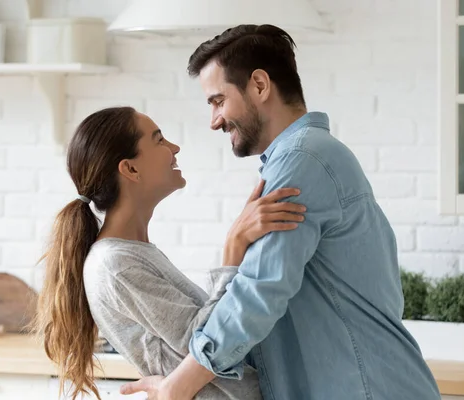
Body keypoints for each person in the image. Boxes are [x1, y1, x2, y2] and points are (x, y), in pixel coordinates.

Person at [120, 24, 442, 400]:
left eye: (218, 100)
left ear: (259, 85)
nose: (214, 120)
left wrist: (180, 384)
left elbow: (259, 291)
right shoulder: (308, 156)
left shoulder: (302, 160)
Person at [33, 106, 308, 400]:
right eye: (159, 139)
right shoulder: (114, 265)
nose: (174, 148)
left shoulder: (131, 254)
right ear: (130, 169)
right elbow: (206, 345)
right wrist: (234, 248)